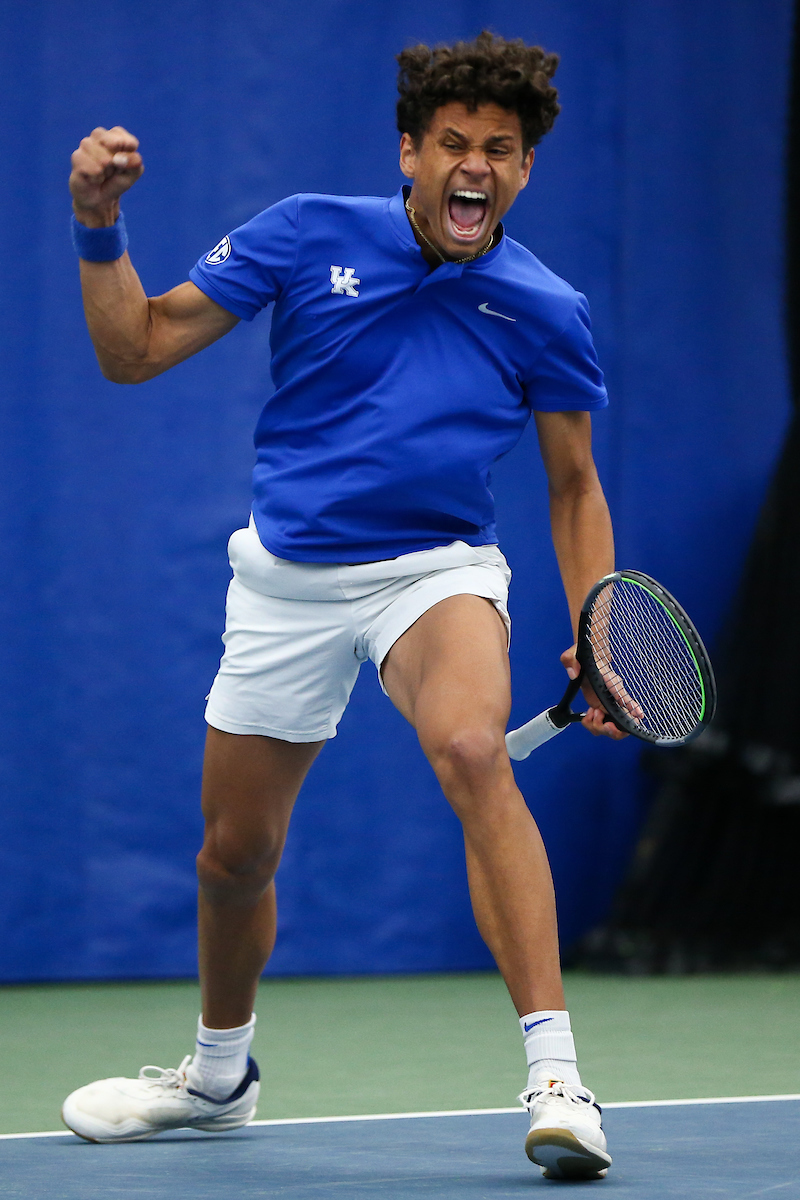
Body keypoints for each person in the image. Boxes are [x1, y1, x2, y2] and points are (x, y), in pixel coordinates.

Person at [61, 31, 625, 1181]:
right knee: (233, 854)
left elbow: (572, 486)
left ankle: (558, 1077)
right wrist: (98, 225)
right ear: (409, 153)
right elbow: (137, 347)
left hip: (437, 570)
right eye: (454, 144)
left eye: (501, 151)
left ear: (523, 172)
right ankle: (220, 1076)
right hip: (286, 581)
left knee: (473, 748)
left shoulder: (545, 308)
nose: (475, 166)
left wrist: (598, 621)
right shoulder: (307, 231)